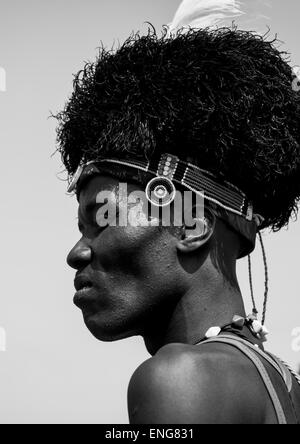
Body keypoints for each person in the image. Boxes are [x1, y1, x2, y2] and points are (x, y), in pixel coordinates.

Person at [55, 20, 300, 424]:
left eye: (101, 218)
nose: (76, 252)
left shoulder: (179, 379)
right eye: (82, 231)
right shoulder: (283, 384)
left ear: (191, 226)